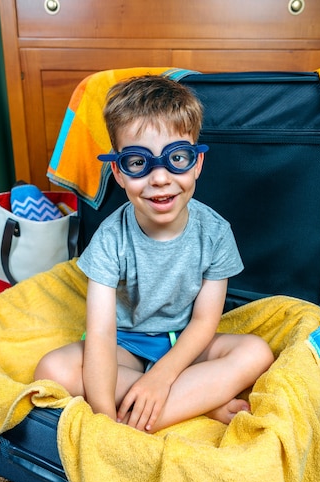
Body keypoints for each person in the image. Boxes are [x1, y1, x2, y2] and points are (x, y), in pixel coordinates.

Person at [34, 75, 274, 433]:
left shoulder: (216, 232)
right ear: (118, 171)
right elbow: (100, 333)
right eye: (137, 162)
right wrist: (104, 420)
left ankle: (156, 402)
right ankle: (195, 403)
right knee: (52, 369)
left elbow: (204, 323)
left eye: (176, 158)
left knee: (257, 353)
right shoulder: (110, 239)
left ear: (196, 164)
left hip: (186, 344)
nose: (160, 178)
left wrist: (162, 376)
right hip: (124, 345)